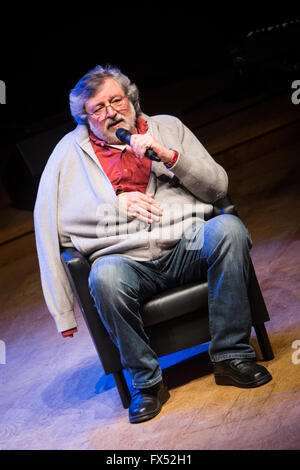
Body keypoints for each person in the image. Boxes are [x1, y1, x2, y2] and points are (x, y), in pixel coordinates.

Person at [34, 65, 272, 424]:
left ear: (131, 100)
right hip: (123, 258)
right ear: (85, 118)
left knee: (228, 229)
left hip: (184, 242)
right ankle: (147, 384)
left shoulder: (168, 127)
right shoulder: (68, 154)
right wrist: (113, 205)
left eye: (116, 100)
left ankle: (231, 356)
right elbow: (55, 226)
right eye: (98, 108)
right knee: (105, 276)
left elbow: (218, 187)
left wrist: (169, 156)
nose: (111, 111)